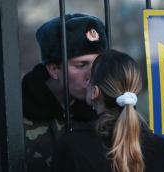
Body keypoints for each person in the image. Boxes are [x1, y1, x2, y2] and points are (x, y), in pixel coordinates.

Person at [51, 49, 164, 172]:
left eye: (90, 79)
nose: (86, 81)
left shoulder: (72, 147)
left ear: (95, 92)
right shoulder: (160, 147)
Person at [22, 13, 108, 172]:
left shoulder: (104, 109)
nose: (92, 75)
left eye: (98, 63)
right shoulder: (15, 117)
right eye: (81, 65)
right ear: (54, 70)